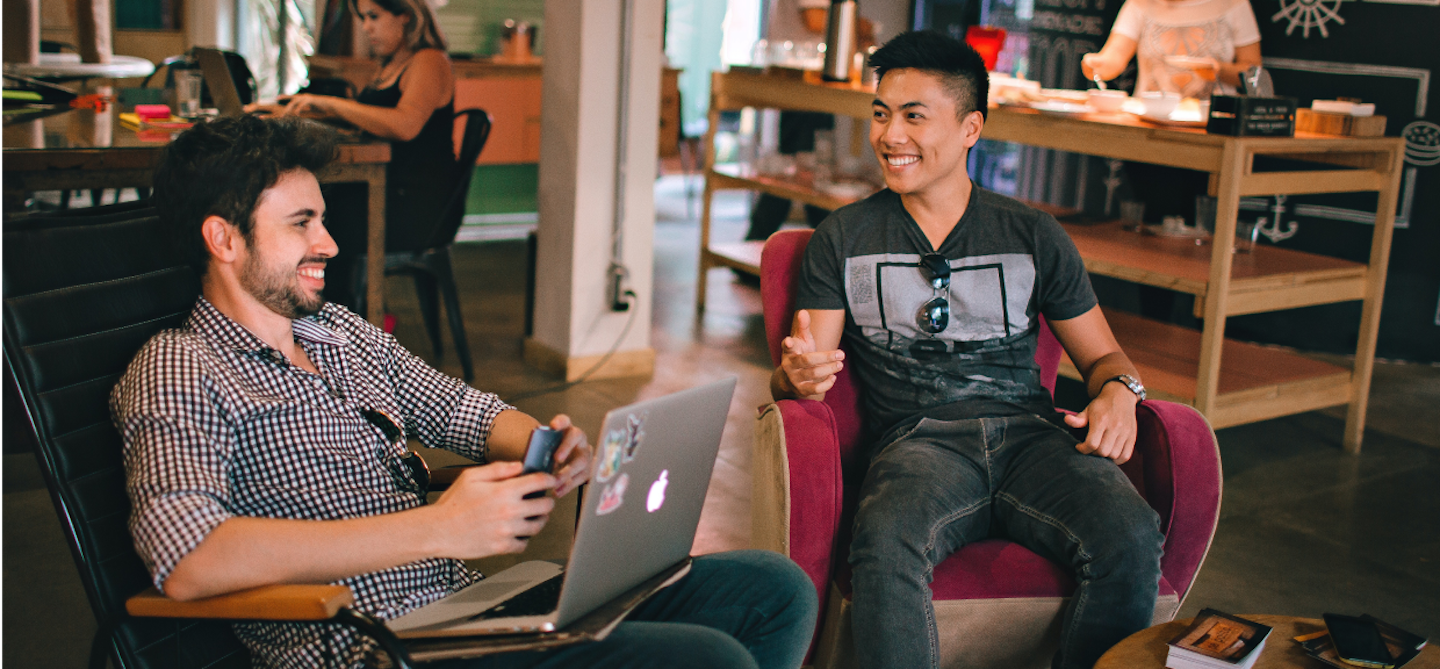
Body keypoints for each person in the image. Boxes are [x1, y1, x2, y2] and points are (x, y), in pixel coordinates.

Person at [113, 115, 818, 669]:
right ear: (224, 239)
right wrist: (439, 527)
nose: (329, 243)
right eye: (302, 224)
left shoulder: (338, 332)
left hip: (468, 609)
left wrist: (546, 445)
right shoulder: (181, 365)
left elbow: (457, 408)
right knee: (710, 659)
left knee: (772, 589)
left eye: (323, 219)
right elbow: (188, 558)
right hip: (377, 647)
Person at [771, 31, 1163, 669]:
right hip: (917, 443)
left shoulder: (1031, 233)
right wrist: (794, 378)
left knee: (1131, 533)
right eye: (881, 114)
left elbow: (1106, 359)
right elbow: (801, 375)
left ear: (970, 128)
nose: (889, 136)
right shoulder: (843, 238)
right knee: (885, 540)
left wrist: (1121, 392)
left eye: (914, 116)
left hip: (1035, 438)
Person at [249, 0, 460, 309]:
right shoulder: (391, 63)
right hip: (387, 191)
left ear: (406, 16)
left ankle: (328, 319)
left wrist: (329, 104)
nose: (366, 27)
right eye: (363, 18)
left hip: (415, 205)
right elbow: (367, 119)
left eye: (374, 16)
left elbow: (405, 125)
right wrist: (288, 111)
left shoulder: (429, 61)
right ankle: (314, 315)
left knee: (314, 219)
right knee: (308, 209)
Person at [1080, 0, 1262, 99]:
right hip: (1147, 124)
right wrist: (1097, 67)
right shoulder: (1139, 4)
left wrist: (1218, 69)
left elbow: (1254, 72)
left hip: (1211, 129)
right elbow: (1115, 56)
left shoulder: (1234, 5)